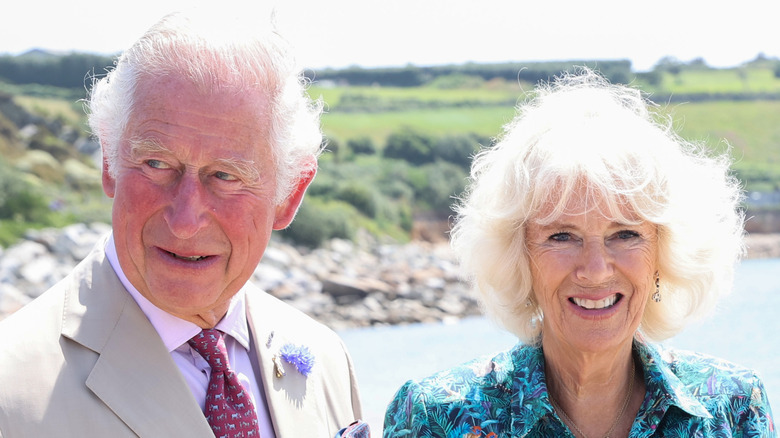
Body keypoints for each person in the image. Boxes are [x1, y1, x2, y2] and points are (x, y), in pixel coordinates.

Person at [0, 10, 364, 438]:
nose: (185, 220)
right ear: (109, 163)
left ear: (289, 196)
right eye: (156, 164)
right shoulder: (11, 384)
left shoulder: (325, 358)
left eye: (226, 176)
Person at [383, 69, 775, 437]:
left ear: (665, 251)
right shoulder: (434, 416)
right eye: (561, 236)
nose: (595, 270)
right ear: (518, 255)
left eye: (624, 234)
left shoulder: (732, 409)